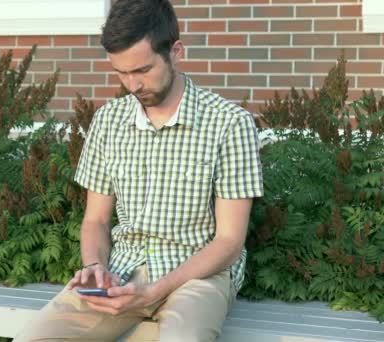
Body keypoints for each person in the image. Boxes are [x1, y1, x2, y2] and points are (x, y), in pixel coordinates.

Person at [14, 0, 263, 341]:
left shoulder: (230, 124)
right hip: (121, 271)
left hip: (196, 277)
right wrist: (95, 269)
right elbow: (96, 220)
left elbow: (229, 242)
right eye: (121, 72)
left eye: (143, 71)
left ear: (175, 51)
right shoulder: (108, 120)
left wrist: (156, 291)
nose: (132, 85)